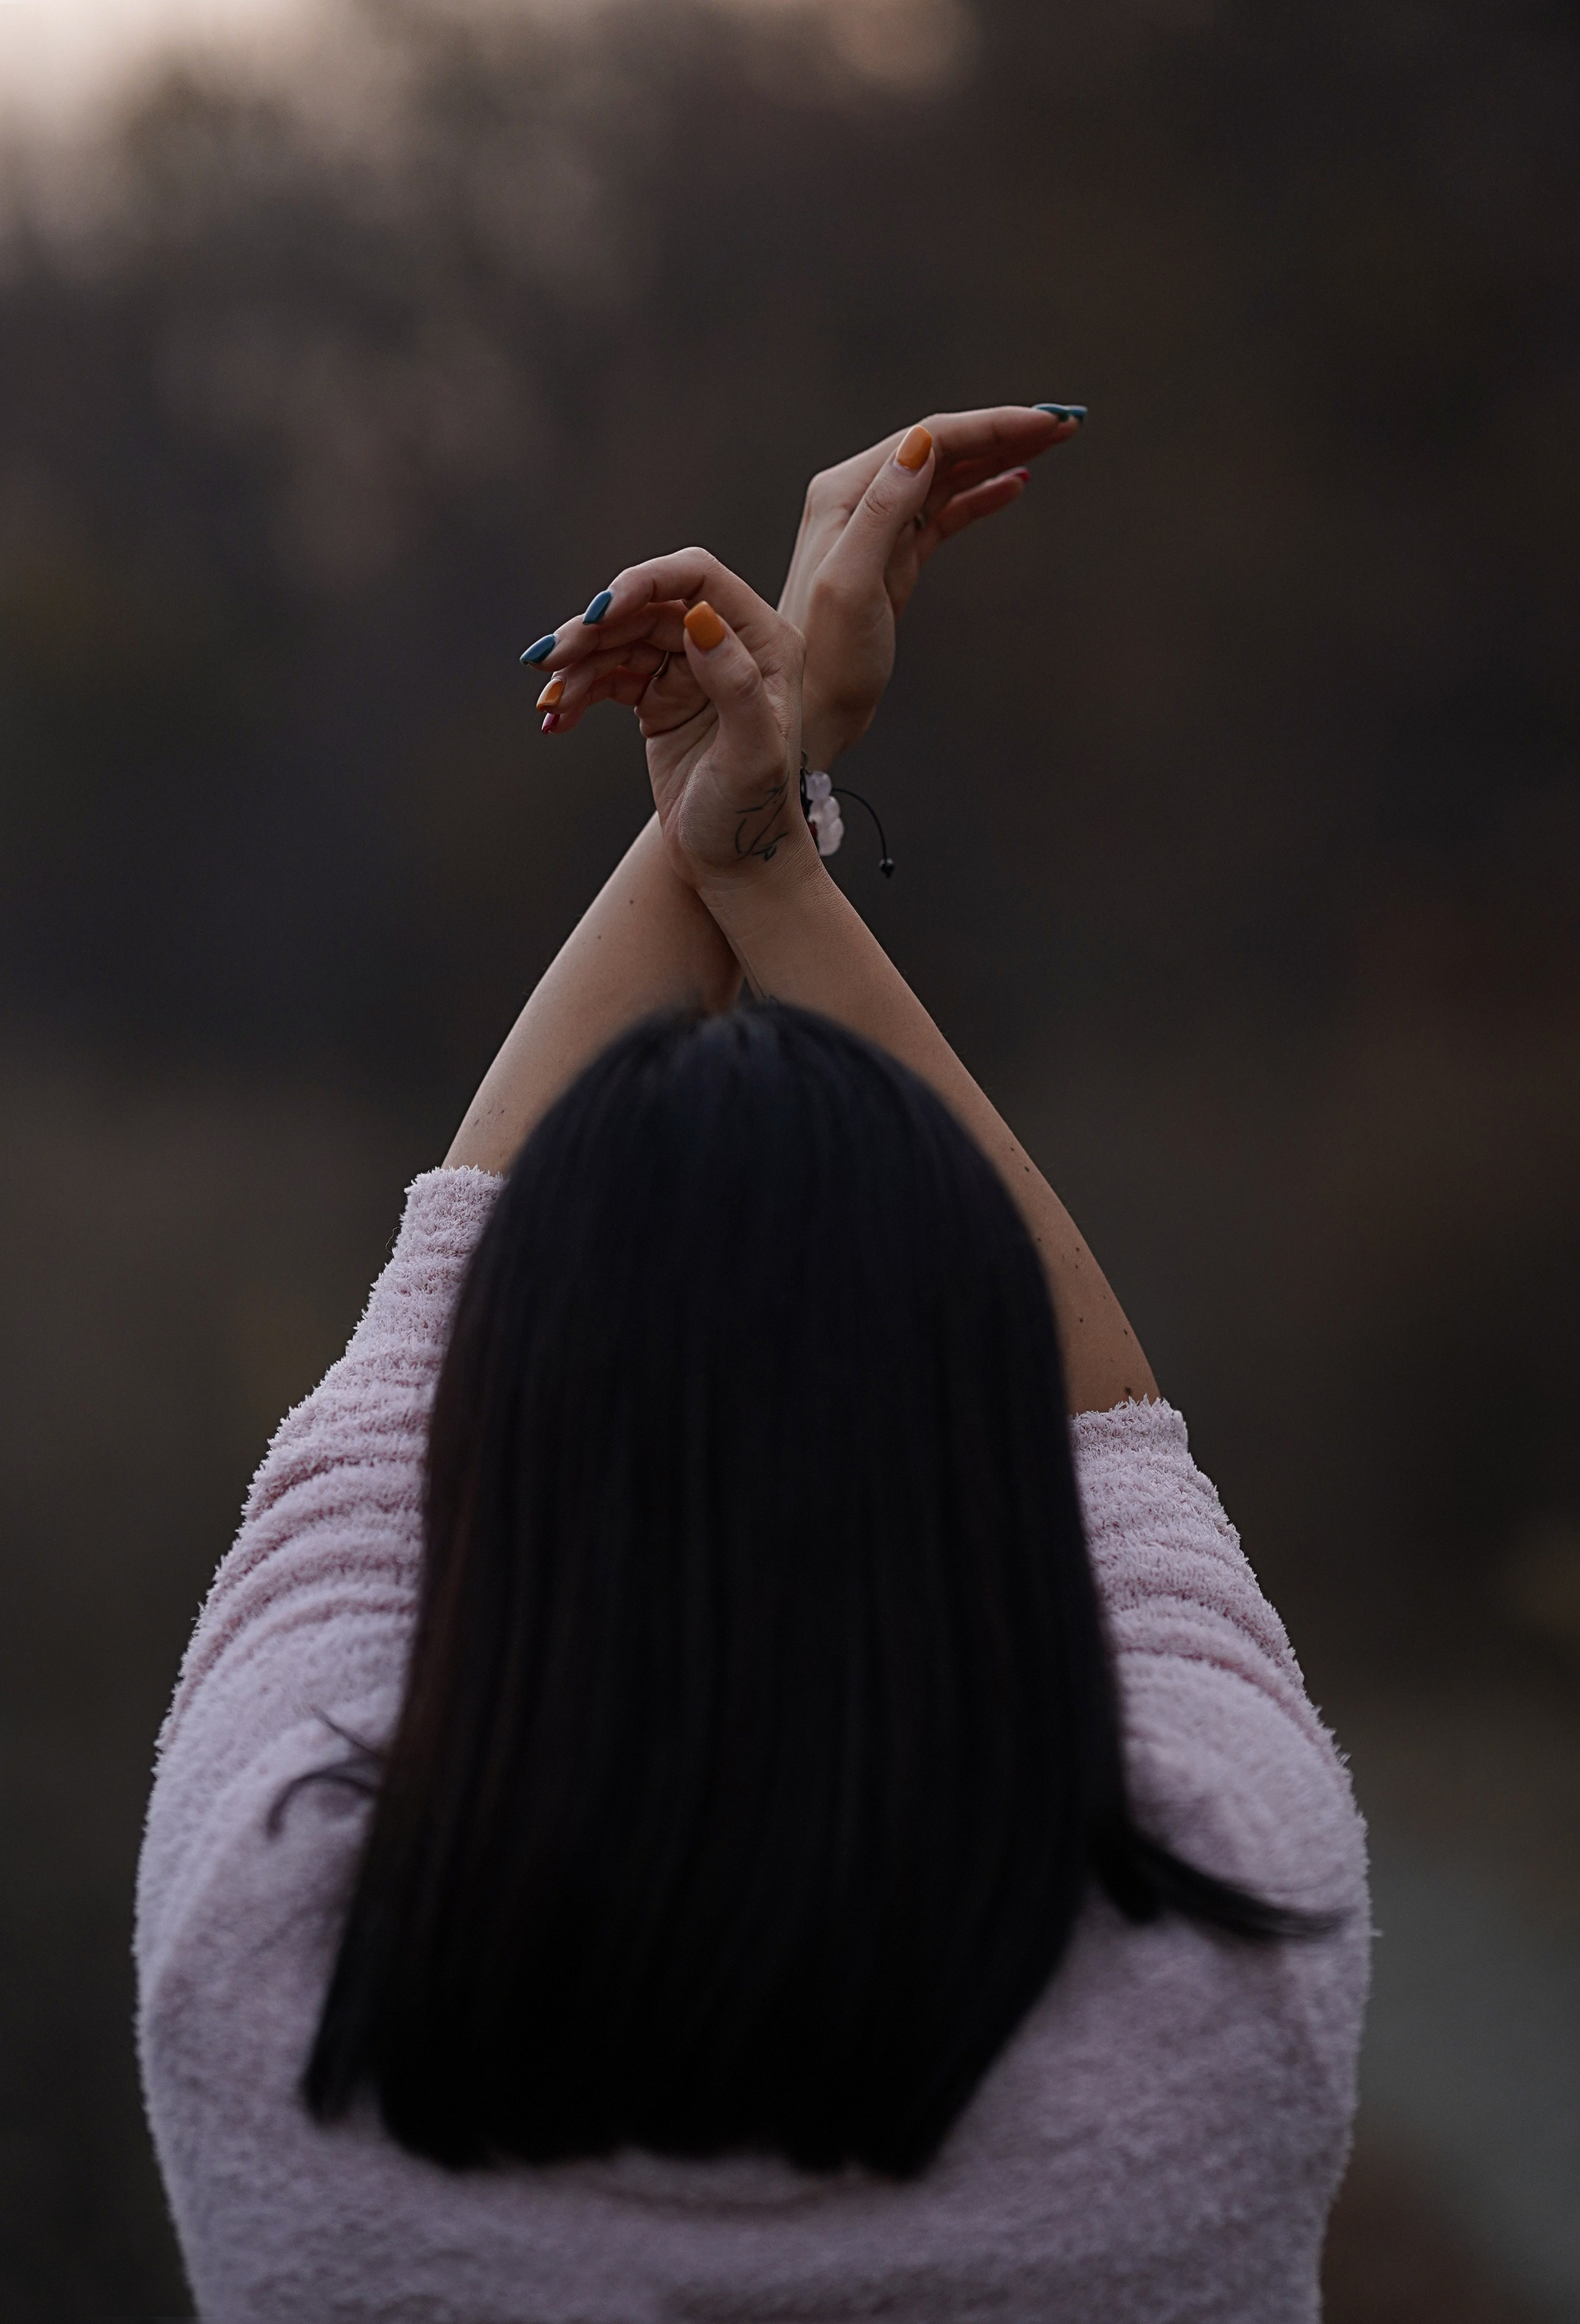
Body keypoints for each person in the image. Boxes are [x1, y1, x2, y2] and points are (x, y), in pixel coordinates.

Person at [136, 407, 1369, 2321]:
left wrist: (739, 801)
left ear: (509, 1448)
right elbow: (1124, 1449)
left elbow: (397, 1368)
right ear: (981, 1470)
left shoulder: (276, 1974)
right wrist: (766, 858)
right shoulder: (1229, 1982)